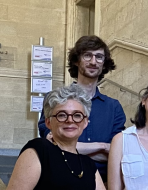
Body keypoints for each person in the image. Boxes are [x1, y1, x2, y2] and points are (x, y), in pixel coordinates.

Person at [37, 35, 126, 182]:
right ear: (76, 61)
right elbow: (54, 145)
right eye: (87, 55)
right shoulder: (54, 100)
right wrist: (102, 146)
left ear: (104, 64)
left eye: (99, 57)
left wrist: (70, 148)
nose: (93, 61)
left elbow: (116, 152)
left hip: (102, 185)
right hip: (61, 181)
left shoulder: (114, 107)